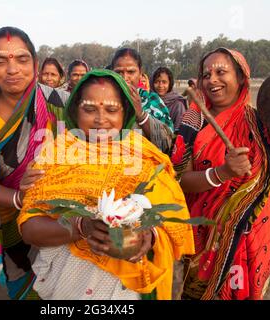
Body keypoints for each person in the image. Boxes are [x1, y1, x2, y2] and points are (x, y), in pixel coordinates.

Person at [18, 69, 195, 300]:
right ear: (75, 111)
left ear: (125, 113)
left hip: (124, 290)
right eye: (90, 109)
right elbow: (30, 228)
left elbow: (173, 219)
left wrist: (149, 236)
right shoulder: (54, 154)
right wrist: (81, 226)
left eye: (111, 109)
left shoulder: (144, 155)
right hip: (65, 284)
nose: (101, 119)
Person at [171, 45, 270, 300]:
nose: (211, 79)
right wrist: (221, 173)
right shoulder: (193, 123)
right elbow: (178, 180)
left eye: (221, 71)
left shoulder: (258, 122)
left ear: (240, 77)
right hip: (204, 237)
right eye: (206, 74)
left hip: (250, 236)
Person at [0, 26, 69, 299]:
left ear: (35, 63)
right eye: (0, 60)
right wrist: (21, 197)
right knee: (25, 287)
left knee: (66, 287)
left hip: (62, 217)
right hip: (7, 221)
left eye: (21, 59)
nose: (12, 69)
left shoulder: (61, 102)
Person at [110, 48, 174, 153]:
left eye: (131, 72)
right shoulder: (103, 99)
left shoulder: (151, 100)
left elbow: (166, 143)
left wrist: (141, 115)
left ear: (140, 74)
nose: (125, 78)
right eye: (119, 72)